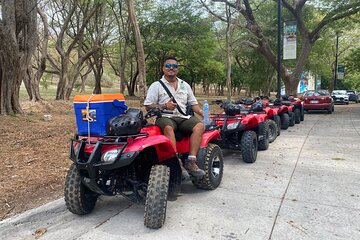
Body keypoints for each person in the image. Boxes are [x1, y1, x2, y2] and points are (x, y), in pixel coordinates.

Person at [144, 56, 205, 179]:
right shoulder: (156, 85)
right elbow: (148, 106)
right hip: (165, 116)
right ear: (163, 68)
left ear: (177, 69)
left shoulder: (184, 85)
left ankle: (191, 161)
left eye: (174, 66)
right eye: (168, 66)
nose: (171, 68)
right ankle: (176, 161)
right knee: (168, 128)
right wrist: (164, 105)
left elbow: (193, 104)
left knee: (200, 126)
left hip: (183, 117)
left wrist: (201, 112)